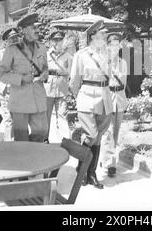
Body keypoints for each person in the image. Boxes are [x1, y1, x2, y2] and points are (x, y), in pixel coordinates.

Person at [69, 20, 112, 189]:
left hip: (105, 97)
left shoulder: (107, 54)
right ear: (93, 35)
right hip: (87, 97)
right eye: (103, 34)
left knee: (98, 137)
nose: (105, 36)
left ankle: (90, 173)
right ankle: (82, 167)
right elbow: (74, 81)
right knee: (91, 135)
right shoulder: (82, 55)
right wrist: (79, 98)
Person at [0, 13, 49, 142]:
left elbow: (45, 67)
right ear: (24, 30)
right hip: (20, 99)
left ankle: (31, 152)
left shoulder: (41, 47)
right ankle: (25, 158)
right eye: (33, 28)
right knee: (21, 137)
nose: (37, 30)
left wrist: (45, 73)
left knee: (42, 131)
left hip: (38, 97)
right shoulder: (13, 49)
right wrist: (21, 78)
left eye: (37, 27)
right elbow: (1, 74)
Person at [101, 32, 128, 177]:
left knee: (116, 131)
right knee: (108, 131)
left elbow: (125, 82)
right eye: (112, 45)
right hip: (108, 97)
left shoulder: (123, 63)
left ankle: (106, 158)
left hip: (120, 97)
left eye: (117, 45)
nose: (115, 48)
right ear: (107, 46)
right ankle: (110, 163)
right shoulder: (103, 62)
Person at [44, 30, 72, 143]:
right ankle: (44, 139)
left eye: (60, 40)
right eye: (55, 40)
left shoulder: (67, 56)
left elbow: (71, 72)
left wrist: (63, 72)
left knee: (62, 115)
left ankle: (65, 141)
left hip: (62, 89)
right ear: (51, 42)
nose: (57, 42)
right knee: (46, 116)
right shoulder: (46, 55)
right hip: (48, 89)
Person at [0, 27, 20, 141]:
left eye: (16, 38)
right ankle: (9, 145)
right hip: (5, 92)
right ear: (6, 41)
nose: (14, 40)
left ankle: (14, 143)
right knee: (8, 119)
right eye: (11, 38)